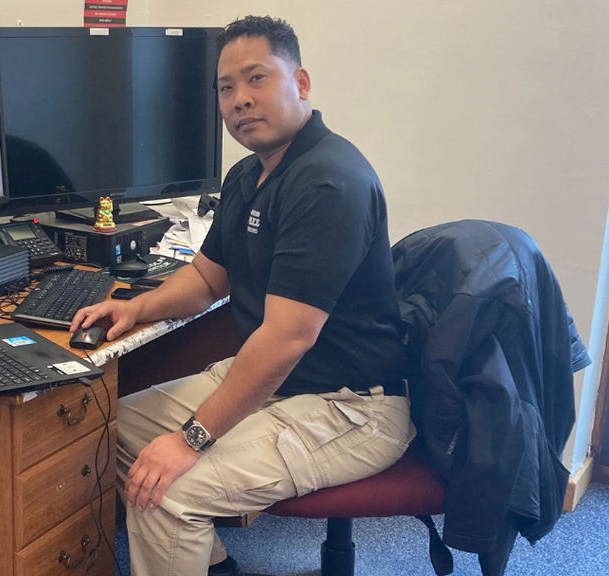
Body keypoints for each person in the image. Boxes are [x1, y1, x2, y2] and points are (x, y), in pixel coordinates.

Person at [71, 15, 414, 576]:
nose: (240, 100)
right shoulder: (247, 175)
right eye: (226, 88)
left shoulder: (328, 182)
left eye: (256, 79)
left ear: (300, 84)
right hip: (281, 388)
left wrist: (191, 440)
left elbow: (286, 338)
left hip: (351, 406)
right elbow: (209, 278)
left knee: (169, 491)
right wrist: (135, 307)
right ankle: (212, 567)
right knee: (105, 434)